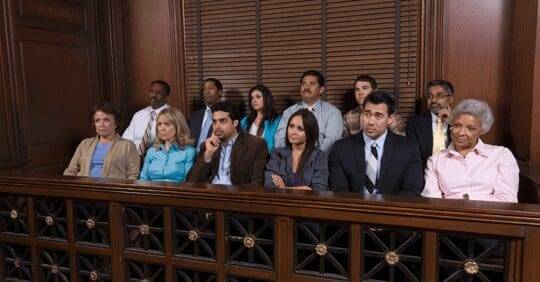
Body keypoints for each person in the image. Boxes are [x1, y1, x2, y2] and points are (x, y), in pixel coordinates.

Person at [422, 99, 519, 202]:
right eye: (457, 125)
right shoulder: (435, 161)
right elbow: (432, 202)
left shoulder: (501, 156)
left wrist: (468, 203)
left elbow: (507, 200)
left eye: (470, 128)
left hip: (490, 217)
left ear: (482, 130)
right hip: (449, 216)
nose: (461, 133)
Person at [329, 90, 423, 196]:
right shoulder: (341, 148)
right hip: (353, 209)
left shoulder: (408, 148)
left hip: (392, 209)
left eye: (378, 116)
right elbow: (339, 190)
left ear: (390, 119)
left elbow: (411, 190)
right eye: (367, 114)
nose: (371, 122)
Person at [188, 101, 268, 185]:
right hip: (211, 194)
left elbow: (257, 184)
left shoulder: (256, 145)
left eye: (223, 121)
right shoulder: (207, 145)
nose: (217, 127)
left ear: (235, 123)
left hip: (237, 195)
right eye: (214, 122)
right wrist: (207, 155)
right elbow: (193, 182)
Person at [64, 103, 140, 179]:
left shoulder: (127, 145)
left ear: (116, 123)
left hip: (113, 189)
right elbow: (71, 170)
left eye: (106, 120)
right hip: (84, 188)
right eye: (97, 121)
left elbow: (133, 174)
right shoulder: (85, 143)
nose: (101, 124)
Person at [274, 70, 343, 152]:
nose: (306, 87)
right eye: (304, 84)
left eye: (312, 84)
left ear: (321, 90)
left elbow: (331, 142)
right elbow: (280, 140)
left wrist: (313, 160)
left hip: (321, 162)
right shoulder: (289, 112)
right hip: (291, 161)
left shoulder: (333, 112)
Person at [265, 109, 329, 191]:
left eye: (300, 128)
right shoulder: (277, 154)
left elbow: (319, 190)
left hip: (309, 203)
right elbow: (269, 185)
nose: (293, 132)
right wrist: (306, 189)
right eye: (291, 126)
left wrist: (284, 188)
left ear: (310, 132)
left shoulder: (320, 157)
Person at [406, 79, 454, 168]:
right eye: (429, 96)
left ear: (450, 99)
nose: (433, 100)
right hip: (425, 174)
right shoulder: (414, 124)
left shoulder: (459, 123)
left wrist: (453, 123)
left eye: (439, 96)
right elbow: (413, 157)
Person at [140, 107, 196, 182]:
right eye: (159, 124)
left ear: (178, 126)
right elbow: (143, 179)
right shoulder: (151, 151)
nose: (162, 128)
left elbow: (187, 181)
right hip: (152, 192)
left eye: (167, 124)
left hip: (177, 192)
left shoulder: (189, 152)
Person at [123, 80, 171, 155]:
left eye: (158, 93)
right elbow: (126, 140)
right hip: (132, 156)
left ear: (166, 96)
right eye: (152, 91)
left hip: (157, 155)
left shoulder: (172, 115)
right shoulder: (139, 115)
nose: (154, 95)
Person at [240, 84, 281, 152]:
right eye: (252, 98)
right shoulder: (245, 121)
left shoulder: (277, 121)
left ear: (266, 98)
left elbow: (278, 147)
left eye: (258, 97)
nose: (254, 100)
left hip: (267, 159)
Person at [190, 78, 223, 152]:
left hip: (213, 156)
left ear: (220, 92)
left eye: (210, 88)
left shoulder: (226, 115)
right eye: (204, 89)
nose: (207, 92)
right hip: (192, 156)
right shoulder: (194, 116)